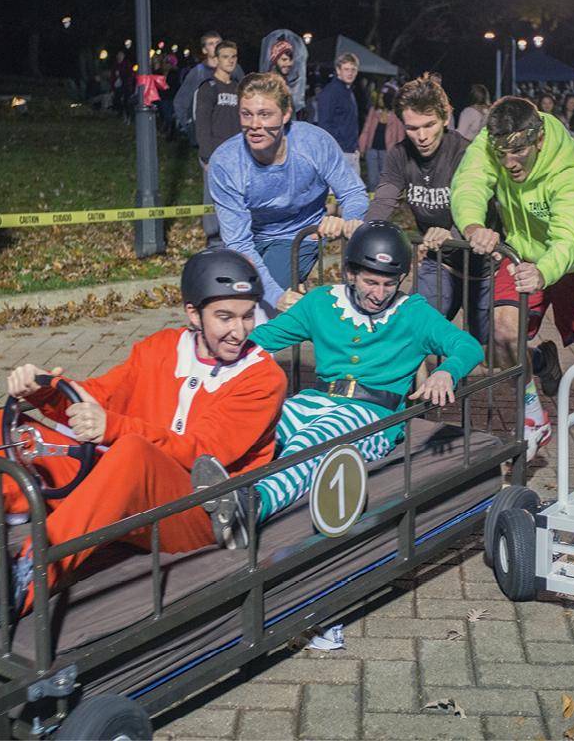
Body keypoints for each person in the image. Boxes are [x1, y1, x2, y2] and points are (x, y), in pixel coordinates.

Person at [0, 249, 288, 631]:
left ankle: (22, 583)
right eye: (224, 317)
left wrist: (111, 426)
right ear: (193, 314)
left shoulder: (263, 378)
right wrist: (45, 389)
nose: (239, 331)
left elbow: (199, 451)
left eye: (248, 316)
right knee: (3, 427)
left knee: (130, 452)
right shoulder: (160, 348)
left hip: (197, 511)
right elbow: (99, 397)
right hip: (125, 489)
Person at [196, 221, 484, 546]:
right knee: (257, 425)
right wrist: (215, 348)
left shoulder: (413, 313)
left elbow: (467, 346)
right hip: (312, 400)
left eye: (389, 284)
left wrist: (447, 372)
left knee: (311, 442)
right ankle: (207, 488)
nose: (379, 294)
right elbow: (264, 339)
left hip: (374, 414)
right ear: (350, 273)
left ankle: (251, 507)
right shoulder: (322, 302)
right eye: (370, 282)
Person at [451, 96, 574, 457]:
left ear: (539, 139)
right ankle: (534, 418)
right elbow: (469, 182)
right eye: (502, 154)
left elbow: (570, 235)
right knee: (501, 332)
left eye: (519, 152)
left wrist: (545, 271)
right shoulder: (493, 141)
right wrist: (473, 225)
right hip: (522, 252)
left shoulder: (567, 167)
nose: (510, 163)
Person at [207, 72, 368, 315]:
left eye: (265, 114)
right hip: (250, 237)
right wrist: (276, 295)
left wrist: (349, 221)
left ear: (285, 114)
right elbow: (238, 241)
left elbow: (353, 192)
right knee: (220, 307)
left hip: (298, 236)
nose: (254, 125)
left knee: (259, 315)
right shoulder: (225, 162)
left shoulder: (314, 143)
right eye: (247, 114)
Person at [364, 76, 492, 341]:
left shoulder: (466, 153)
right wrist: (365, 231)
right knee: (413, 331)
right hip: (439, 261)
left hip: (481, 263)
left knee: (494, 346)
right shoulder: (400, 154)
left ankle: (539, 362)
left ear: (445, 118)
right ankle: (421, 384)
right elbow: (385, 199)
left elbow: (477, 204)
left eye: (429, 125)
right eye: (412, 128)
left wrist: (453, 235)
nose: (421, 137)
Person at [194, 40, 243, 247]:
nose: (230, 61)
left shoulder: (239, 88)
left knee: (236, 201)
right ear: (216, 60)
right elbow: (202, 124)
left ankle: (235, 240)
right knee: (213, 202)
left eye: (233, 57)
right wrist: (206, 157)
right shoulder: (208, 88)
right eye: (225, 57)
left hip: (237, 156)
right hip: (215, 156)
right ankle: (214, 243)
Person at [173, 31, 244, 141]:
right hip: (209, 135)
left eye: (218, 42)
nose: (215, 46)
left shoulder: (235, 69)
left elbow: (245, 94)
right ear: (204, 50)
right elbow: (181, 101)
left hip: (234, 131)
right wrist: (191, 128)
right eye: (211, 44)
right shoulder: (197, 73)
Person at [316, 52, 361, 177]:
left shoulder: (349, 92)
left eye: (353, 69)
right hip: (338, 152)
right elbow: (324, 124)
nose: (350, 73)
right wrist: (337, 147)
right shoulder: (330, 92)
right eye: (346, 69)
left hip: (351, 151)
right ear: (338, 70)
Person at [357, 87, 404, 192]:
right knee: (373, 181)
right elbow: (366, 129)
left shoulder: (396, 115)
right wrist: (362, 147)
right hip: (372, 151)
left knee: (385, 182)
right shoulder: (373, 112)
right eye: (380, 97)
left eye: (383, 98)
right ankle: (373, 205)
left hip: (388, 153)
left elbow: (400, 135)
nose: (380, 100)